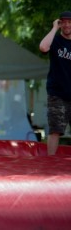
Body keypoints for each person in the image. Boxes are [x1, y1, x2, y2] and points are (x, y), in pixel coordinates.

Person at [39, 11, 71, 155]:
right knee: (55, 131)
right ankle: (50, 166)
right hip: (57, 94)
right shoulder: (56, 40)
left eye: (70, 22)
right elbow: (43, 48)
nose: (67, 24)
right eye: (63, 22)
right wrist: (54, 28)